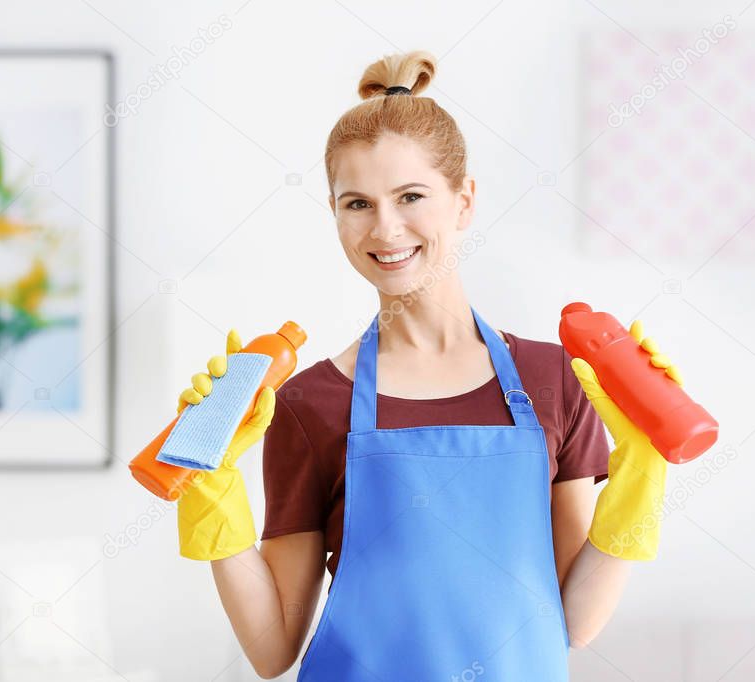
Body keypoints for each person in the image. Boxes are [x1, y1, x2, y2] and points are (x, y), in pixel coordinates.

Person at [174, 50, 683, 680]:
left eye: (410, 196)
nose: (386, 229)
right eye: (356, 203)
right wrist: (211, 489)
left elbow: (575, 621)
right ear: (334, 215)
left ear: (464, 201)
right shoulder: (309, 404)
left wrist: (642, 473)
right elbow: (274, 647)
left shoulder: (555, 381)